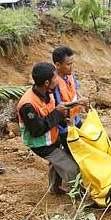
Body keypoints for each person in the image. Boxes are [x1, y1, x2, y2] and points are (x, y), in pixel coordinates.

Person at [17, 62, 79, 194]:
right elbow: (37, 130)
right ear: (46, 82)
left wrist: (62, 118)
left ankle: (54, 188)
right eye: (55, 77)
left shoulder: (47, 92)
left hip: (52, 137)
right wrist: (57, 114)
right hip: (41, 144)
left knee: (58, 160)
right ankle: (79, 194)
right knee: (72, 168)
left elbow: (50, 113)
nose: (58, 79)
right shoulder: (27, 104)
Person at [52, 46, 87, 154]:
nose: (71, 67)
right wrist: (78, 103)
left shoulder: (70, 75)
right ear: (58, 65)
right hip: (64, 127)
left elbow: (75, 90)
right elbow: (59, 106)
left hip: (75, 119)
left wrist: (81, 99)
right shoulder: (54, 83)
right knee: (73, 154)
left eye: (72, 63)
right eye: (68, 64)